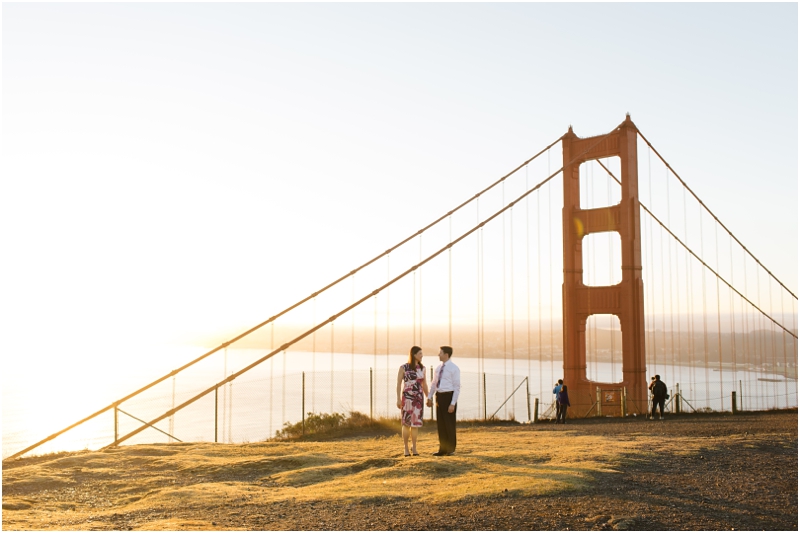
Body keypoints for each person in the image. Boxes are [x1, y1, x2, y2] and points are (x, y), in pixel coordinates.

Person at [426, 346, 460, 456]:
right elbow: (434, 383)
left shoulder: (454, 368)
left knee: (449, 424)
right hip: (439, 397)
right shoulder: (438, 368)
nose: (438, 355)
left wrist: (452, 403)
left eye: (440, 353)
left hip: (448, 396)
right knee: (441, 424)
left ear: (446, 355)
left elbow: (457, 387)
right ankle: (442, 449)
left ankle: (451, 449)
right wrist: (429, 397)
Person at [396, 346, 429, 456]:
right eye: (420, 353)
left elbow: (424, 385)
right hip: (407, 399)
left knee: (415, 424)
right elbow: (398, 384)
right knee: (406, 424)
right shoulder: (403, 368)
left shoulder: (423, 368)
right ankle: (405, 448)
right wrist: (398, 399)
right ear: (414, 354)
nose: (422, 355)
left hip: (418, 399)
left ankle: (414, 448)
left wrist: (428, 397)